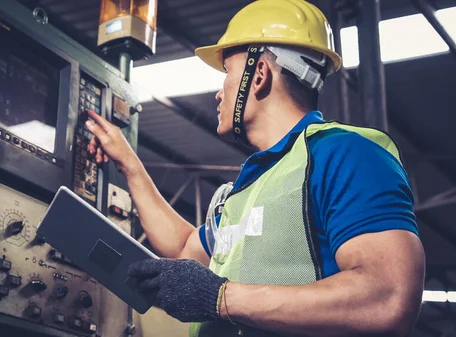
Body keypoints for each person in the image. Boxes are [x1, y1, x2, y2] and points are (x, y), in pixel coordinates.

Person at [85, 0, 425, 336]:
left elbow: (386, 296)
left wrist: (222, 298)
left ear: (258, 74)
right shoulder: (247, 188)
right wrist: (128, 164)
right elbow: (186, 247)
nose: (219, 94)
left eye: (227, 75)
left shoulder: (345, 153)